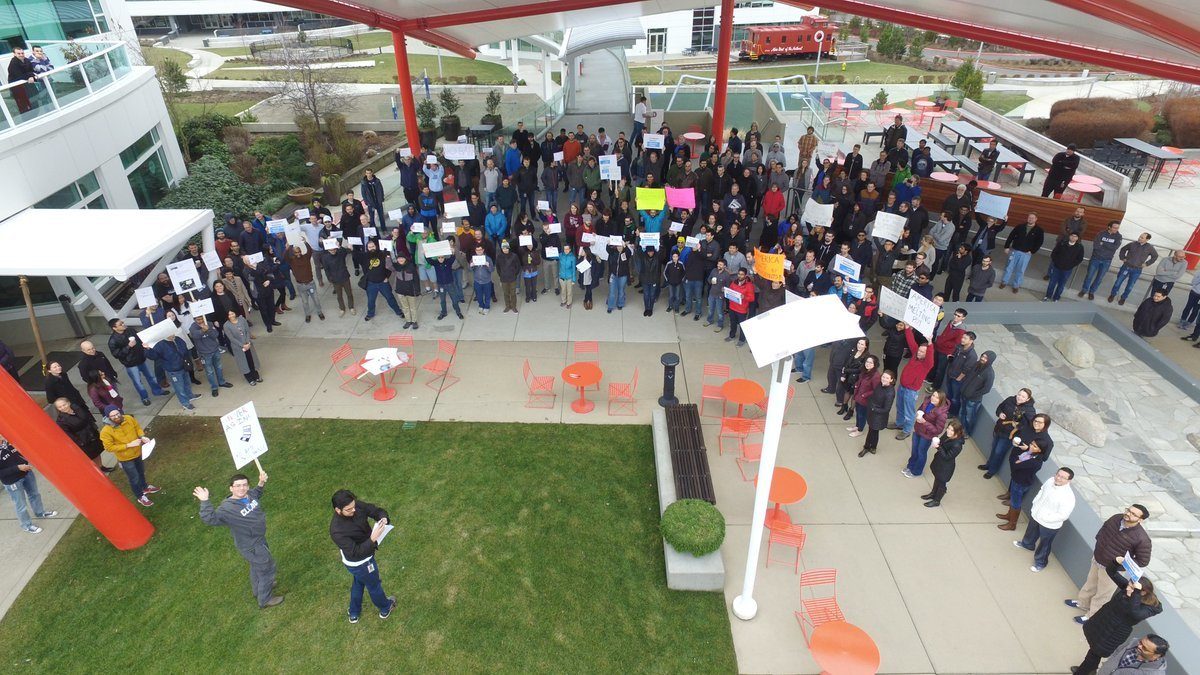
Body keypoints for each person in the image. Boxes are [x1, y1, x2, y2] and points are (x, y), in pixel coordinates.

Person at [195, 471, 284, 609]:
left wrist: (261, 482)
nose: (241, 488)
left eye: (244, 485)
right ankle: (265, 599)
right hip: (251, 545)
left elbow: (257, 494)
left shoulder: (249, 496)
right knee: (267, 568)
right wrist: (205, 501)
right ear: (231, 488)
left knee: (256, 566)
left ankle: (258, 589)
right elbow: (210, 519)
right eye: (237, 486)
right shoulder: (227, 508)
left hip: (258, 539)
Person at [1073, 562, 1162, 674]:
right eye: (1129, 585)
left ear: (1143, 592)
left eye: (1132, 588)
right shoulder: (1129, 588)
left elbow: (1135, 613)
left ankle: (1082, 672)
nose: (1128, 588)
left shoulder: (1149, 607)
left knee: (1094, 654)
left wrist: (1135, 593)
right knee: (1093, 652)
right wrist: (1116, 562)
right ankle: (1086, 671)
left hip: (1112, 633)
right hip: (1103, 623)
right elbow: (1111, 572)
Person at [1067, 505, 1153, 622]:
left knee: (1103, 595)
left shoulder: (1142, 539)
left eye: (1134, 514)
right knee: (1090, 584)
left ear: (1140, 520)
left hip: (1112, 570)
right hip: (1098, 559)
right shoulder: (1116, 518)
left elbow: (1143, 561)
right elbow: (1103, 529)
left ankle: (1091, 616)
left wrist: (1120, 565)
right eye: (1128, 510)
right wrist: (1098, 544)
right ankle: (1083, 603)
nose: (1128, 514)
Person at [329, 489, 397, 623]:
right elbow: (355, 552)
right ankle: (385, 607)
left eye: (354, 506)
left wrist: (383, 518)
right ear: (338, 510)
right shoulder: (336, 531)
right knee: (374, 585)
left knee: (358, 583)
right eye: (349, 510)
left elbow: (373, 510)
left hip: (358, 565)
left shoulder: (354, 506)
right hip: (361, 563)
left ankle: (354, 612)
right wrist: (372, 540)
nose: (354, 510)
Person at [997, 413, 1054, 531]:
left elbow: (1043, 457)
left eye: (1039, 422)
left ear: (1046, 425)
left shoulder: (1047, 442)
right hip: (1017, 462)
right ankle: (1009, 515)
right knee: (1014, 488)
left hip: (1022, 470)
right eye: (1035, 421)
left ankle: (1012, 523)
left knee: (1016, 501)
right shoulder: (1028, 429)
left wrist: (1027, 450)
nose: (1036, 423)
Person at [1015, 467, 1076, 572]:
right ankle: (1027, 544)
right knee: (1031, 532)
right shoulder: (1050, 481)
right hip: (1037, 515)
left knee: (1045, 544)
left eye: (1063, 477)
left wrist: (1046, 518)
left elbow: (1063, 515)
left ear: (1069, 481)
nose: (1058, 478)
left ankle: (1040, 562)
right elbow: (1042, 490)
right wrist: (1035, 503)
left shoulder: (1068, 497)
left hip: (1049, 524)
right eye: (1058, 475)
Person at [99, 406, 160, 507]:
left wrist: (142, 436)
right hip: (126, 458)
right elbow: (109, 448)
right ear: (108, 417)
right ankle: (140, 496)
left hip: (138, 452)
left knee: (141, 472)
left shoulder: (129, 418)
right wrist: (128, 445)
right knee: (134, 478)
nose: (116, 416)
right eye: (113, 416)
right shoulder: (105, 431)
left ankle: (145, 487)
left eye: (117, 414)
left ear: (120, 412)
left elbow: (137, 428)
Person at [1, 436, 57, 534]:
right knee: (21, 504)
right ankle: (26, 525)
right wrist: (18, 468)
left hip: (27, 473)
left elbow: (20, 453)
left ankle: (40, 512)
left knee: (34, 494)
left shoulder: (8, 441)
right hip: (13, 481)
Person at [107, 318, 167, 406]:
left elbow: (140, 338)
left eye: (122, 322)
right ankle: (144, 398)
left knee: (151, 377)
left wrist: (144, 345)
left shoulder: (130, 330)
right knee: (138, 382)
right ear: (114, 328)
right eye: (120, 324)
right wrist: (128, 346)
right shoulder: (113, 340)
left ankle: (157, 391)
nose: (123, 324)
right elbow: (116, 354)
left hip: (141, 358)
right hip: (131, 364)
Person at [894, 327, 935, 441]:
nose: (919, 352)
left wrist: (930, 343)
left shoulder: (927, 363)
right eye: (919, 350)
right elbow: (911, 342)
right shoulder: (914, 355)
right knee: (900, 406)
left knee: (909, 411)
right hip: (902, 386)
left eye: (922, 352)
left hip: (911, 391)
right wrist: (907, 329)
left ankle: (906, 430)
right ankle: (899, 423)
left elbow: (931, 355)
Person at [145, 334, 200, 411]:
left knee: (187, 383)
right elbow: (154, 356)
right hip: (173, 370)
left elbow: (185, 349)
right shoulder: (161, 344)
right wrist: (148, 349)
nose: (173, 335)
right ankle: (185, 403)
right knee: (179, 388)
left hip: (183, 366)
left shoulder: (178, 339)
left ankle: (190, 395)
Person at [54, 397, 108, 471]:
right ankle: (97, 471)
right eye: (60, 407)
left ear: (68, 403)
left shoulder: (77, 408)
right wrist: (80, 442)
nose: (63, 407)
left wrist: (93, 428)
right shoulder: (61, 421)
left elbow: (87, 418)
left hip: (91, 433)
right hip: (83, 441)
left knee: (97, 452)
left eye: (64, 404)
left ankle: (101, 467)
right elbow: (69, 435)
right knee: (91, 457)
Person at [903, 389, 948, 478]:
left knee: (921, 452)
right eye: (933, 395)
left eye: (937, 398)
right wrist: (918, 414)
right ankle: (910, 466)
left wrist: (924, 422)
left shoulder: (942, 414)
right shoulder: (927, 402)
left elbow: (938, 430)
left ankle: (917, 471)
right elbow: (920, 409)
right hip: (918, 430)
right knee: (914, 450)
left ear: (941, 400)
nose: (933, 398)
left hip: (927, 436)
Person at [922, 418, 964, 507]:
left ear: (957, 432)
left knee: (941, 483)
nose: (948, 431)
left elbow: (947, 457)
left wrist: (938, 447)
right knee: (937, 478)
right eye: (948, 428)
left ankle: (937, 500)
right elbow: (941, 441)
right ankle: (933, 493)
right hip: (939, 462)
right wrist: (937, 443)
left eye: (952, 430)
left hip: (946, 467)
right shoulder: (947, 435)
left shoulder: (957, 445)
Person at [1108, 233, 1159, 306]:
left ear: (1147, 239)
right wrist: (1122, 258)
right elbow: (1123, 249)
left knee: (1130, 286)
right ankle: (1112, 294)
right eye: (1140, 236)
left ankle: (1123, 298)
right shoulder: (1132, 244)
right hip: (1126, 267)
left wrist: (1147, 264)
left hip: (1137, 270)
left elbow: (1155, 256)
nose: (1139, 238)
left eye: (1142, 237)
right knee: (1117, 283)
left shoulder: (1150, 248)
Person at [999, 213, 1044, 294]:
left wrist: (1032, 251)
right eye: (1029, 217)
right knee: (1009, 267)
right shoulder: (1020, 226)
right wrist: (1006, 247)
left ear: (1036, 219)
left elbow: (1039, 242)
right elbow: (1011, 236)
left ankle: (1016, 286)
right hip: (1015, 251)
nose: (1030, 219)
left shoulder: (1039, 230)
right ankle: (1004, 282)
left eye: (1032, 218)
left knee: (1020, 270)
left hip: (1026, 254)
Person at [189, 316, 233, 397]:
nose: (201, 321)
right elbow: (195, 336)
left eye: (202, 318)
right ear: (194, 320)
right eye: (198, 319)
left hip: (215, 349)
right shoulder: (193, 327)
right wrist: (202, 330)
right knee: (209, 372)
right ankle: (214, 387)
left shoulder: (209, 323)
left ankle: (222, 382)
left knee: (219, 367)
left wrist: (208, 329)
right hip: (204, 353)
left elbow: (215, 334)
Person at [1079, 221, 1123, 301]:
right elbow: (1096, 246)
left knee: (1099, 278)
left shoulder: (1118, 236)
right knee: (1089, 276)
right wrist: (1107, 246)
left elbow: (1115, 247)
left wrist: (1103, 243)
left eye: (1117, 228)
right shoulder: (1101, 233)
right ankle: (1084, 290)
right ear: (1109, 227)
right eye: (1114, 227)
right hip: (1095, 258)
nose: (1116, 229)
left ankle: (1091, 292)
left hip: (1107, 260)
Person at [858, 370, 896, 457]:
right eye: (883, 377)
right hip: (873, 412)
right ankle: (873, 447)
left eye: (887, 378)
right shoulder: (880, 384)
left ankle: (866, 447)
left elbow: (886, 409)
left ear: (891, 380)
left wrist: (873, 409)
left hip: (878, 416)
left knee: (872, 431)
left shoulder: (890, 393)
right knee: (874, 432)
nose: (884, 379)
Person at [957, 350, 995, 435]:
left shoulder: (990, 374)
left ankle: (966, 432)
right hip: (964, 394)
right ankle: (959, 428)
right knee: (961, 412)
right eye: (983, 356)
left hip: (973, 400)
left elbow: (986, 389)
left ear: (990, 360)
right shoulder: (976, 364)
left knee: (969, 417)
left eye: (986, 358)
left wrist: (972, 394)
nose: (983, 359)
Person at [286, 242, 325, 322]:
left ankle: (319, 312)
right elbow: (285, 257)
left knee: (316, 300)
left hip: (310, 283)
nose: (298, 253)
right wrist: (288, 247)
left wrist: (305, 242)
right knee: (305, 302)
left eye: (299, 251)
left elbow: (310, 250)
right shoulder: (292, 261)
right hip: (301, 285)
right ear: (293, 253)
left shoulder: (306, 257)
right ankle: (307, 315)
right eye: (296, 252)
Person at [1092, 635, 1169, 674]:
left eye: (1145, 648)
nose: (1139, 646)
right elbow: (1118, 651)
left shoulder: (1154, 673)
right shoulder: (1134, 642)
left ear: (1157, 655)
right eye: (1141, 642)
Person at [223, 310, 262, 385]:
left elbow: (247, 331)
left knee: (251, 360)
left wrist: (247, 342)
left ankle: (256, 375)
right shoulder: (226, 325)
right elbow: (231, 338)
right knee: (243, 362)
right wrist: (243, 345)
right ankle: (249, 378)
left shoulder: (242, 319)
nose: (231, 316)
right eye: (229, 315)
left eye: (232, 313)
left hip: (248, 344)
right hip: (238, 347)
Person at [1045, 232, 1086, 301]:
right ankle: (1047, 296)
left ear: (1077, 238)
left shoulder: (1079, 247)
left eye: (1075, 236)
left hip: (1067, 269)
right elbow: (1054, 253)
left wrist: (1071, 265)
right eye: (1072, 235)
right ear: (1069, 236)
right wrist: (1056, 262)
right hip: (1056, 267)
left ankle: (1056, 298)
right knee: (1052, 282)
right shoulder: (1062, 243)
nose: (1073, 237)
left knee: (1061, 284)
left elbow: (1079, 259)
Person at [847, 355, 881, 436]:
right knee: (858, 412)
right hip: (859, 396)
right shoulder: (865, 371)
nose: (868, 364)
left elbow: (875, 390)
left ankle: (860, 430)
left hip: (865, 400)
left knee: (862, 415)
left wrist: (864, 395)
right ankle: (857, 426)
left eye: (870, 362)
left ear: (875, 364)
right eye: (867, 362)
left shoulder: (875, 376)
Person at [725, 268, 755, 346]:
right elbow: (730, 291)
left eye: (742, 274)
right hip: (732, 307)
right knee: (733, 322)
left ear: (745, 275)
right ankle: (732, 335)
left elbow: (752, 298)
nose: (740, 276)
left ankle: (742, 339)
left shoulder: (749, 285)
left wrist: (744, 297)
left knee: (742, 325)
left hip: (742, 309)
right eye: (739, 274)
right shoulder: (734, 282)